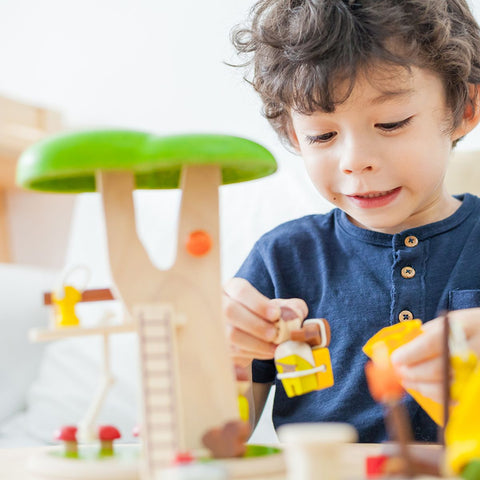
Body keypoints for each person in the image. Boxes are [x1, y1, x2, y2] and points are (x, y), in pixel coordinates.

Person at [223, 0, 480, 443]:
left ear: (465, 108)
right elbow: (214, 440)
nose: (355, 162)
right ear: (291, 133)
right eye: (322, 135)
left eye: (391, 123)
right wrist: (219, 356)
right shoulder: (283, 259)